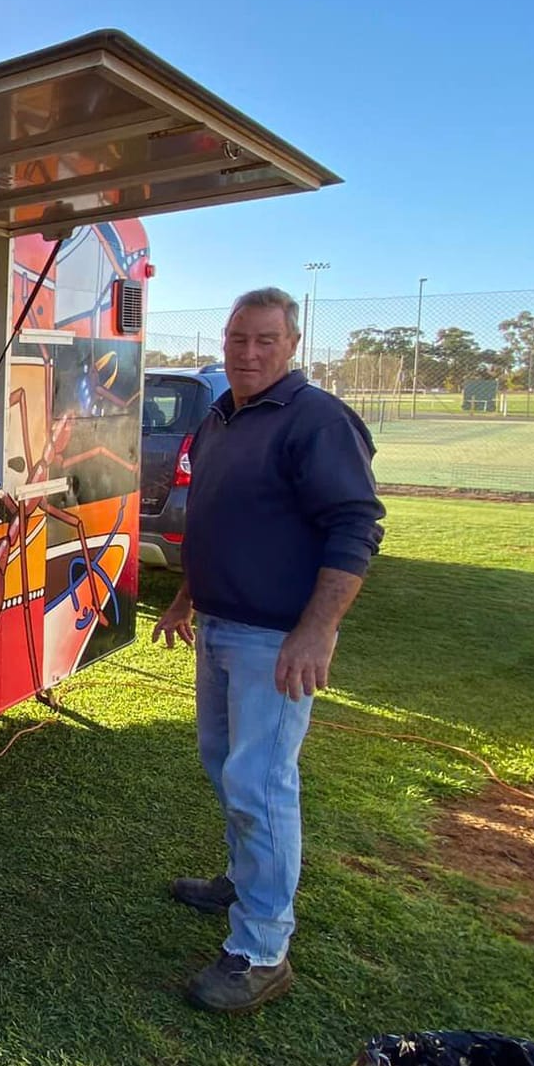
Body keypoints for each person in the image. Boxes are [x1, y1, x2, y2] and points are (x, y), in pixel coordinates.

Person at [151, 287, 384, 1013]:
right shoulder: (221, 417)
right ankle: (244, 880)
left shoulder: (318, 421)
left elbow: (356, 525)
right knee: (226, 766)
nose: (248, 353)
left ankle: (261, 950)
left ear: (292, 345)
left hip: (276, 640)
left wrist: (317, 629)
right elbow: (215, 520)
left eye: (265, 340)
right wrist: (187, 597)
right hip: (220, 626)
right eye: (237, 339)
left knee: (260, 783)